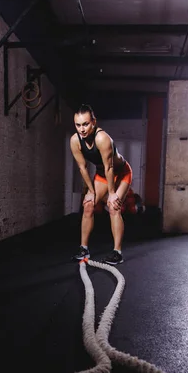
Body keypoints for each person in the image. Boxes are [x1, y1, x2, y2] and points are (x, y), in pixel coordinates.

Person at [70, 103, 133, 265]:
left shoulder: (102, 138)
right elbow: (82, 167)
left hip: (121, 173)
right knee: (89, 204)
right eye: (78, 125)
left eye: (85, 124)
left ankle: (117, 252)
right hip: (102, 175)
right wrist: (90, 191)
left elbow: (110, 167)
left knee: (113, 207)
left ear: (94, 122)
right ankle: (84, 248)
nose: (82, 129)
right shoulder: (75, 141)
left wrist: (112, 193)